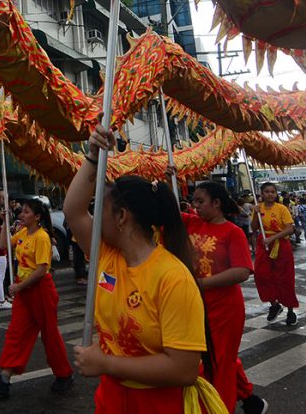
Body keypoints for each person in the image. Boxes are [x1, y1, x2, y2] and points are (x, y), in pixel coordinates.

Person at [64, 125, 222, 413]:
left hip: (158, 403)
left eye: (99, 208)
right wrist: (92, 156)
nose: (93, 215)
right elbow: (73, 210)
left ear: (122, 217)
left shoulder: (172, 278)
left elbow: (183, 369)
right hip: (112, 398)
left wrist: (106, 363)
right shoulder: (108, 257)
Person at [186, 182, 266, 414]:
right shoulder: (192, 223)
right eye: (194, 201)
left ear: (217, 203)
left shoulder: (233, 232)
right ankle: (251, 401)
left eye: (200, 201)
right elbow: (167, 210)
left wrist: (203, 284)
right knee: (218, 358)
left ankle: (220, 409)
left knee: (219, 363)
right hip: (197, 305)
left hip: (224, 309)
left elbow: (242, 271)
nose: (195, 206)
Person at [0, 198, 73, 397]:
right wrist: (5, 221)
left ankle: (64, 374)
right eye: (21, 211)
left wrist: (18, 286)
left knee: (49, 335)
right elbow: (4, 244)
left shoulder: (42, 237)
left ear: (37, 217)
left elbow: (42, 269)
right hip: (23, 291)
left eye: (26, 212)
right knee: (16, 332)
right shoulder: (22, 232)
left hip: (40, 290)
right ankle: (4, 378)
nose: (22, 215)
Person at [253, 182, 299, 326]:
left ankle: (290, 310)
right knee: (261, 275)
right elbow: (253, 227)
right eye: (266, 191)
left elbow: (290, 229)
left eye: (272, 191)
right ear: (261, 193)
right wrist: (255, 214)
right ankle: (274, 304)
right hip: (264, 243)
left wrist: (273, 238)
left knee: (284, 277)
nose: (270, 194)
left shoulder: (282, 208)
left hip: (280, 244)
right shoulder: (258, 208)